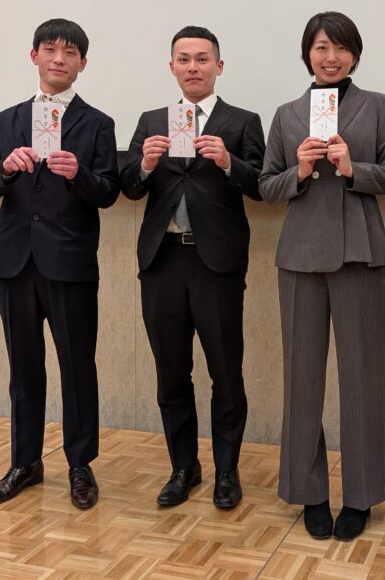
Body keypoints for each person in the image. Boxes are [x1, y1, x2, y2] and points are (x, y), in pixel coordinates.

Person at [259, 11, 385, 541]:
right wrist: (298, 171)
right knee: (301, 380)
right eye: (321, 47)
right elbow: (266, 186)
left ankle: (361, 495)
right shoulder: (286, 114)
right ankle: (310, 492)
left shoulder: (376, 106)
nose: (331, 57)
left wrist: (351, 168)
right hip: (299, 257)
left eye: (341, 48)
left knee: (362, 378)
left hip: (360, 255)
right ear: (308, 54)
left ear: (354, 55)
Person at [0, 18, 120, 510]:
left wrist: (79, 175)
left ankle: (80, 465)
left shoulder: (97, 124)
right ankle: (25, 463)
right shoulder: (7, 119)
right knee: (23, 368)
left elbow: (109, 192)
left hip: (70, 262)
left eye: (70, 52)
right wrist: (4, 169)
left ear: (83, 63)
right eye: (51, 49)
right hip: (14, 262)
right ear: (33, 56)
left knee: (77, 367)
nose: (60, 59)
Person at [120, 26, 265, 509]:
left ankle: (227, 470)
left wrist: (228, 162)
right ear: (172, 67)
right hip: (162, 260)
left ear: (218, 66)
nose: (193, 67)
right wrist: (144, 164)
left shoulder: (242, 121)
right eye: (183, 59)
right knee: (171, 372)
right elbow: (129, 187)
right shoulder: (151, 121)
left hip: (216, 263)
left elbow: (261, 185)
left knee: (226, 371)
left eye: (202, 59)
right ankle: (183, 467)